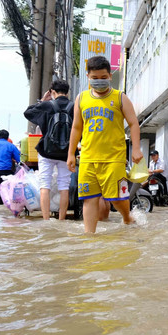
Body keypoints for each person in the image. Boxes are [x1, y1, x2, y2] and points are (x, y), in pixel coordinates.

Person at [67, 56, 143, 233]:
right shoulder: (81, 98)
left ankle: (126, 217)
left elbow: (133, 123)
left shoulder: (120, 98)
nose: (99, 81)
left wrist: (137, 148)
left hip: (114, 159)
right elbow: (77, 127)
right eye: (95, 78)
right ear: (88, 77)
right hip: (87, 158)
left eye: (103, 77)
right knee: (89, 198)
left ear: (110, 76)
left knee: (117, 198)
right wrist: (71, 153)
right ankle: (89, 236)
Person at [24, 79, 74, 221]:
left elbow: (28, 113)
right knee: (64, 185)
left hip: (46, 151)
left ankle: (46, 220)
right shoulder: (74, 107)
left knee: (44, 184)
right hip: (66, 152)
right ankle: (62, 219)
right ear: (67, 92)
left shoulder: (46, 106)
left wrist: (42, 100)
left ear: (52, 92)